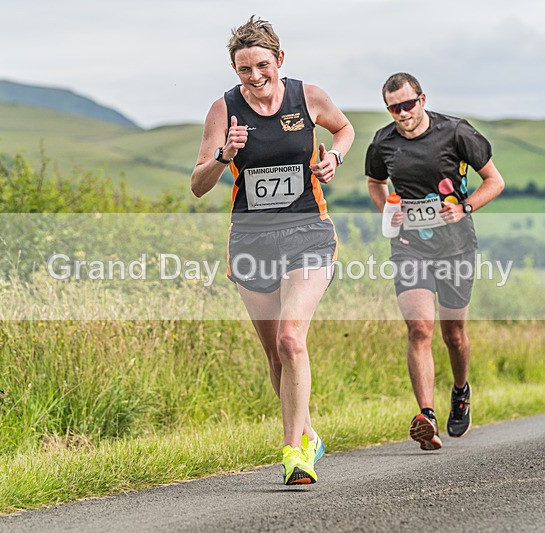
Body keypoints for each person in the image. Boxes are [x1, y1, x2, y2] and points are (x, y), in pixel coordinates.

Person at [191, 16, 354, 484]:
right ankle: (308, 433)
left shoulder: (308, 98)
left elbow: (344, 130)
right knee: (275, 357)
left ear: (280, 60)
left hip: (308, 233)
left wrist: (333, 158)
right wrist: (224, 156)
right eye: (245, 70)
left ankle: (293, 452)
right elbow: (198, 186)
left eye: (263, 65)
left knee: (290, 338)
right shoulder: (223, 111)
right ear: (235, 70)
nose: (255, 77)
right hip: (251, 242)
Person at [365, 72, 504, 450]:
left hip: (456, 245)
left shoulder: (457, 133)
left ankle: (460, 392)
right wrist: (387, 211)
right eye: (394, 108)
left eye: (408, 104)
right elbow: (375, 183)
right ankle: (426, 416)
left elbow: (495, 180)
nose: (402, 113)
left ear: (422, 99)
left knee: (453, 335)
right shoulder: (383, 143)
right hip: (409, 244)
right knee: (419, 328)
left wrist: (465, 207)